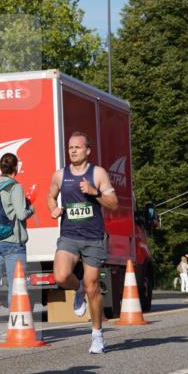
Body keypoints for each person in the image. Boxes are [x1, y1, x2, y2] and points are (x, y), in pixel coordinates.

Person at [47, 132, 119, 354]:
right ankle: (77, 288)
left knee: (93, 286)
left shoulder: (97, 173)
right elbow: (50, 196)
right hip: (69, 235)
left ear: (88, 150)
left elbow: (114, 203)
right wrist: (54, 209)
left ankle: (97, 335)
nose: (73, 151)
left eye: (78, 147)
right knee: (60, 276)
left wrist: (94, 192)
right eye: (70, 147)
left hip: (93, 237)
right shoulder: (60, 175)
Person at [0, 152, 34, 343]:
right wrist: (31, 208)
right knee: (15, 286)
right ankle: (15, 326)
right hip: (12, 243)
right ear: (16, 168)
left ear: (1, 168)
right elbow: (21, 213)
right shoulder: (15, 187)